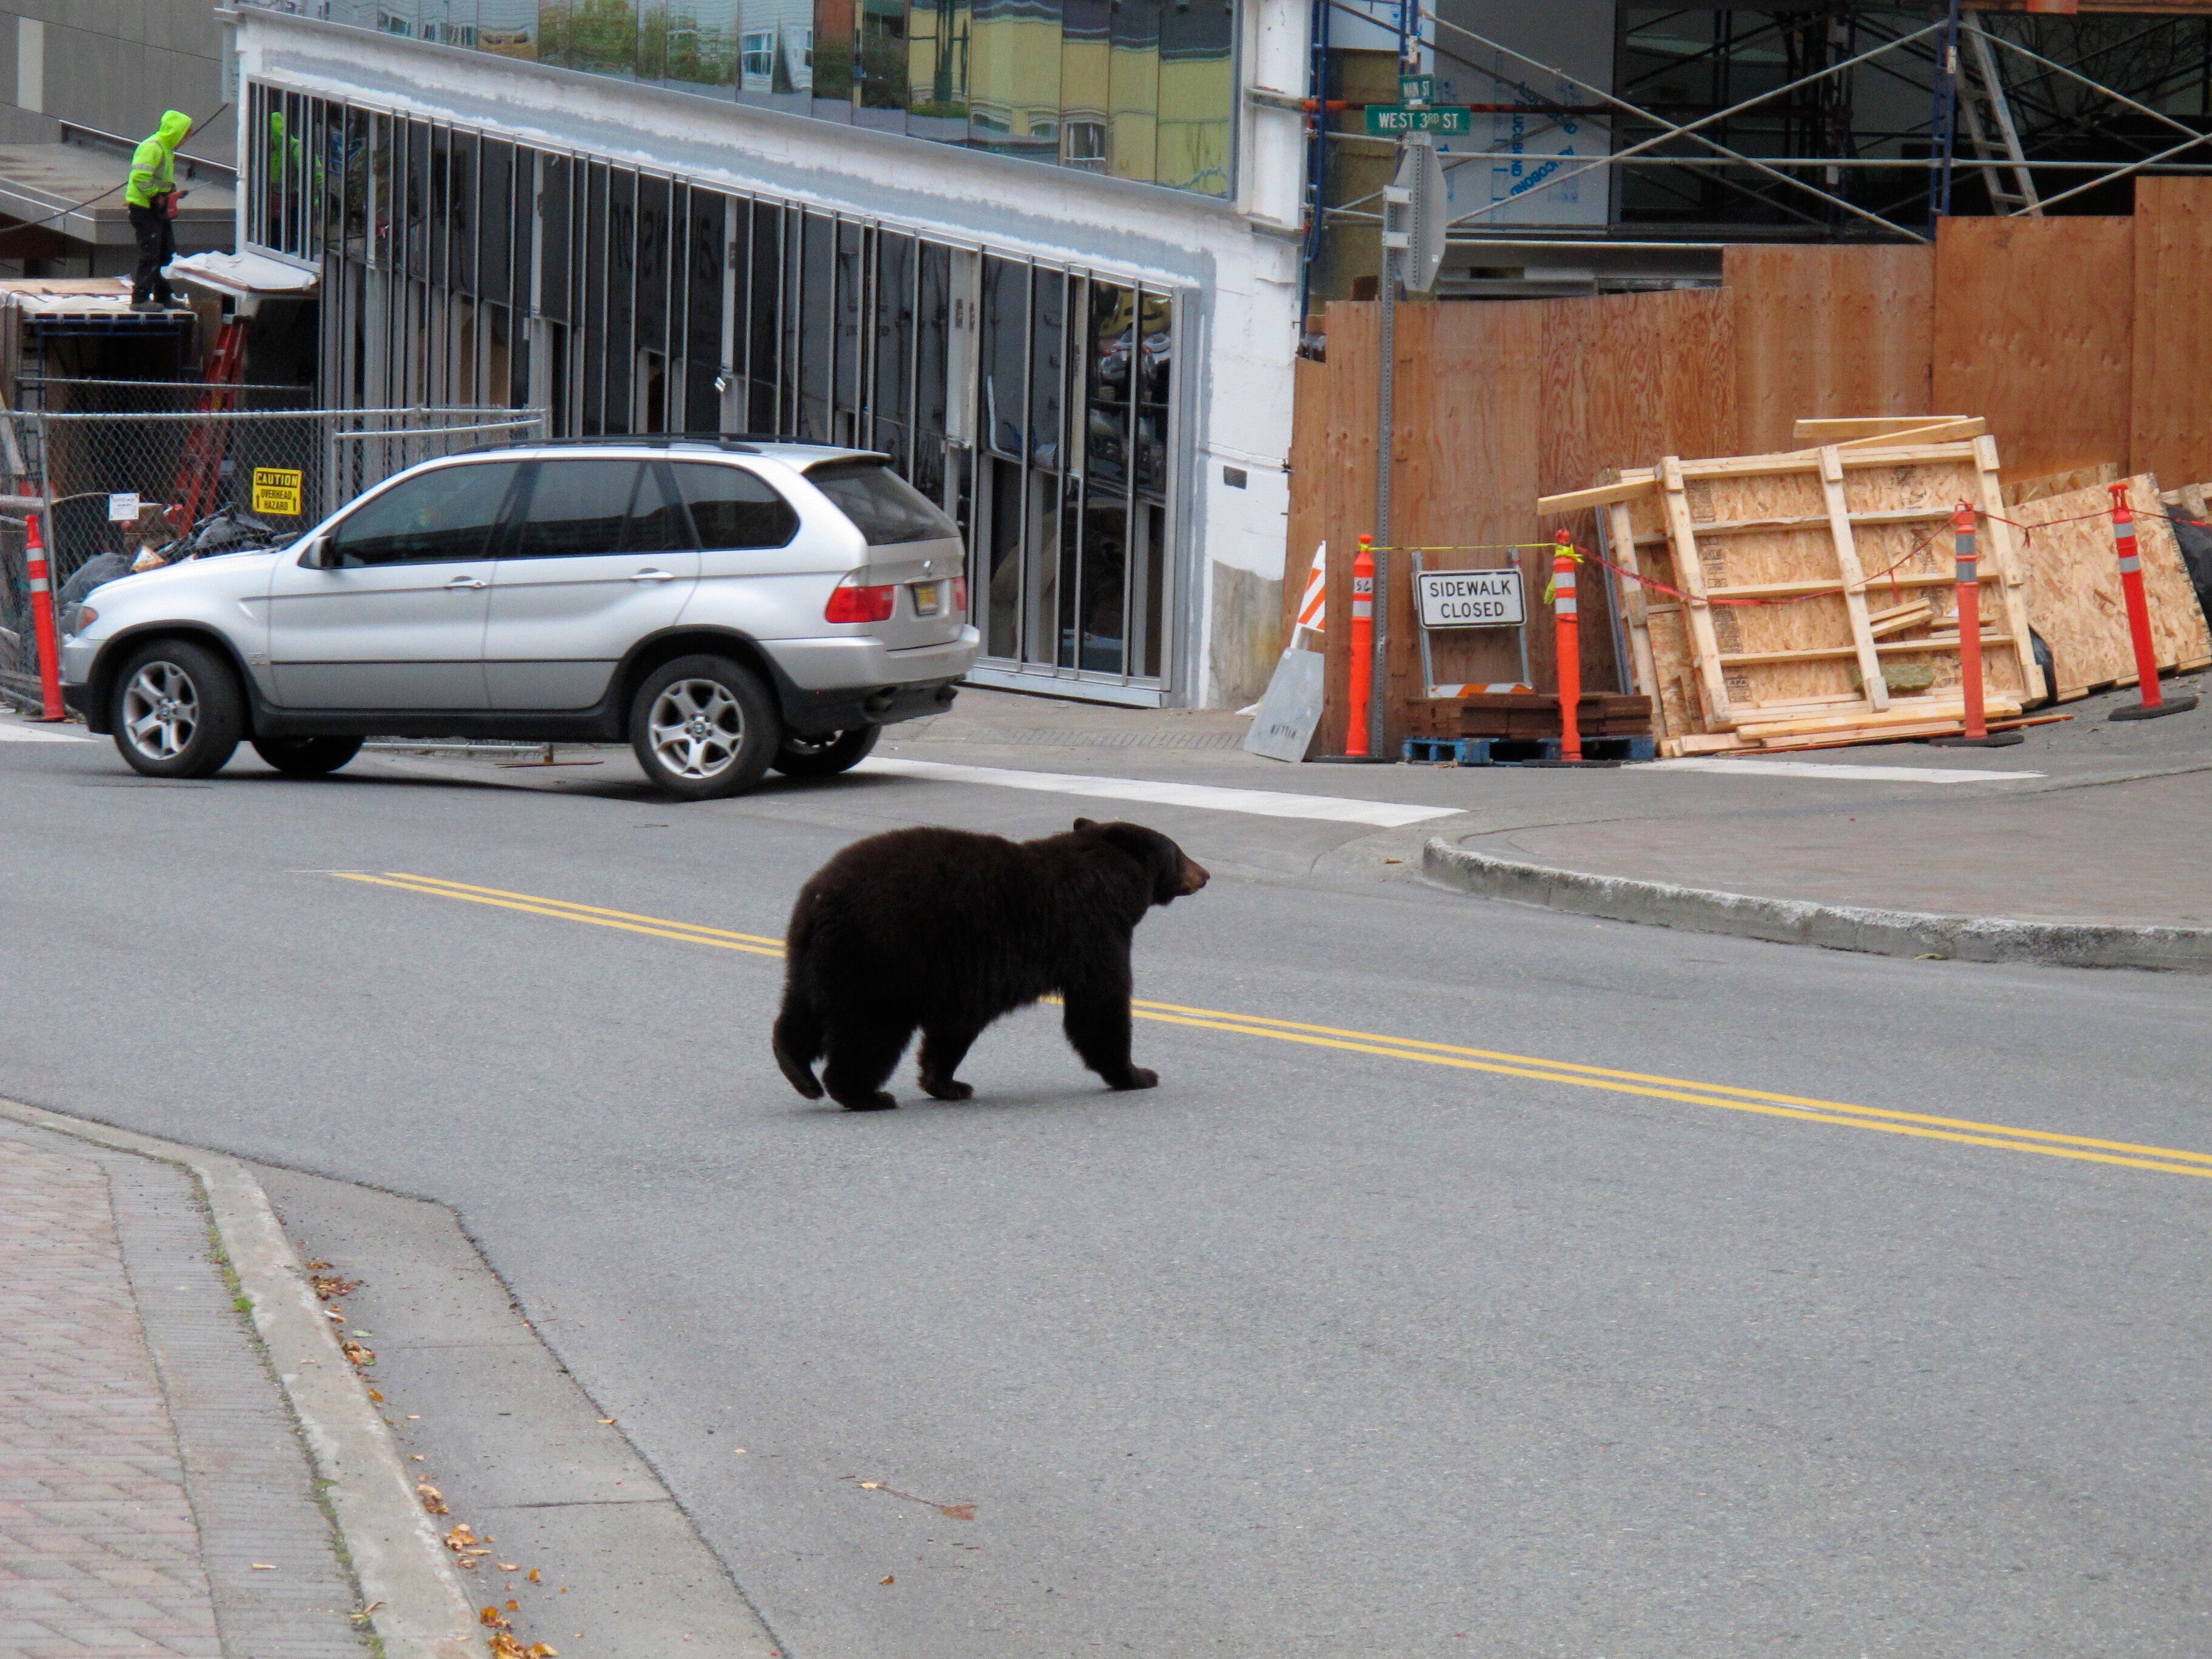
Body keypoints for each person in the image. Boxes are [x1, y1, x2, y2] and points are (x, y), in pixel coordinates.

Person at [127, 110, 193, 313]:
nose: (186, 139)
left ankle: (163, 296)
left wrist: (170, 191)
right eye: (185, 134)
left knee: (166, 252)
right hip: (144, 208)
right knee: (151, 253)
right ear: (177, 132)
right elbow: (139, 177)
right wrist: (157, 195)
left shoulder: (166, 148)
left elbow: (160, 177)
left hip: (157, 208)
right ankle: (140, 299)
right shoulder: (153, 147)